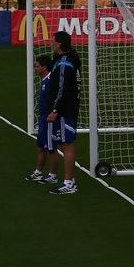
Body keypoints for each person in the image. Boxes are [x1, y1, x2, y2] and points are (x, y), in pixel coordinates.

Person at [47, 31, 80, 195]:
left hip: (66, 109)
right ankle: (69, 181)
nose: (50, 43)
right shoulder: (67, 59)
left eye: (52, 41)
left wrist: (55, 110)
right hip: (69, 107)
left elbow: (62, 88)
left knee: (67, 145)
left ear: (59, 44)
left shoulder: (64, 63)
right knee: (64, 143)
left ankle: (69, 183)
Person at [26, 55, 59, 184]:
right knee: (41, 146)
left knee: (51, 147)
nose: (35, 69)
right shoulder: (44, 80)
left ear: (44, 67)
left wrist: (53, 113)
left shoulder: (51, 80)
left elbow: (57, 98)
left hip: (49, 118)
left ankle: (53, 175)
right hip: (43, 117)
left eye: (37, 66)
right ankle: (38, 172)